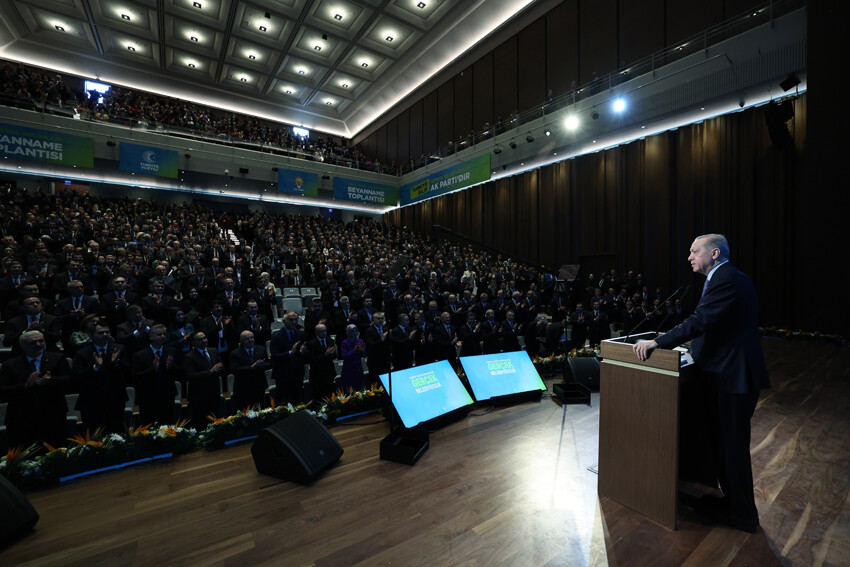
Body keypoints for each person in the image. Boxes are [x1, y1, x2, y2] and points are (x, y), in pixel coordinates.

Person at [633, 234, 770, 534]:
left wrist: (658, 341)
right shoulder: (728, 277)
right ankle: (733, 504)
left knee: (733, 446)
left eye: (695, 251)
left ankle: (743, 515)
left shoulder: (726, 279)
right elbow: (716, 326)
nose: (689, 257)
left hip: (735, 377)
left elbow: (700, 321)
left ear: (715, 253)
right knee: (726, 444)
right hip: (730, 372)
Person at [0, 331, 72, 448]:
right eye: (33, 342)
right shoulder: (10, 364)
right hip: (22, 418)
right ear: (23, 346)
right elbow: (2, 390)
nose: (38, 344)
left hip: (53, 415)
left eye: (41, 341)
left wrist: (51, 380)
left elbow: (70, 382)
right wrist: (25, 386)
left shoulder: (57, 358)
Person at [73, 322, 128, 433]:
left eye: (107, 332)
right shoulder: (82, 353)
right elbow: (77, 376)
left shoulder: (119, 349)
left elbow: (128, 369)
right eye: (100, 333)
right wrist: (95, 367)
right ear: (91, 335)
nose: (105, 335)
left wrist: (116, 363)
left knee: (116, 431)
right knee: (94, 434)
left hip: (115, 398)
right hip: (92, 400)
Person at [132, 324, 179, 425]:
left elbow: (180, 372)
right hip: (148, 396)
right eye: (159, 334)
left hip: (167, 394)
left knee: (167, 425)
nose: (162, 336)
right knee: (148, 426)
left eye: (164, 334)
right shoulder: (140, 355)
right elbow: (135, 377)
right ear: (150, 337)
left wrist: (171, 366)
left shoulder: (171, 351)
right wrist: (152, 369)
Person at [183, 331, 225, 427]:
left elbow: (221, 365)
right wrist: (210, 371)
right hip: (199, 395)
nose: (204, 340)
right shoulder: (189, 356)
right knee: (201, 423)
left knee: (215, 420)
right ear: (193, 342)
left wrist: (219, 368)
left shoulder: (213, 350)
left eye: (205, 338)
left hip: (214, 391)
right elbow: (190, 375)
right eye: (200, 339)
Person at [269, 311, 307, 405]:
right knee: (283, 402)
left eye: (296, 319)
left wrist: (304, 352)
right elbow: (275, 355)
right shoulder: (276, 336)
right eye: (291, 320)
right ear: (284, 321)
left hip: (297, 372)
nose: (294, 322)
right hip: (283, 374)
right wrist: (290, 352)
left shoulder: (301, 334)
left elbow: (305, 353)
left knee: (297, 400)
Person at [230, 330, 271, 409]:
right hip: (244, 388)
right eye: (247, 339)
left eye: (252, 338)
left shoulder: (261, 349)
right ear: (241, 341)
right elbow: (235, 370)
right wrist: (251, 367)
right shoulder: (235, 353)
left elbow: (269, 364)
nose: (250, 340)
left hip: (259, 385)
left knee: (261, 409)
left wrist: (262, 365)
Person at [305, 324, 337, 403]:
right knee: (319, 398)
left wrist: (332, 354)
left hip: (329, 372)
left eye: (325, 331)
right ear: (316, 333)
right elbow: (312, 359)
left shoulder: (330, 341)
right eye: (322, 331)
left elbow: (334, 356)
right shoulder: (311, 344)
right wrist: (325, 355)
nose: (324, 333)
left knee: (331, 395)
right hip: (317, 375)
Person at [340, 324, 367, 392]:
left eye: (356, 330)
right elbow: (345, 356)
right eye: (353, 331)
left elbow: (365, 355)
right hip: (349, 369)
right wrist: (354, 351)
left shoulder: (360, 341)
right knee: (350, 390)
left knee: (360, 388)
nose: (355, 333)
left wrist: (362, 350)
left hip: (358, 368)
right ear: (349, 332)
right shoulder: (345, 343)